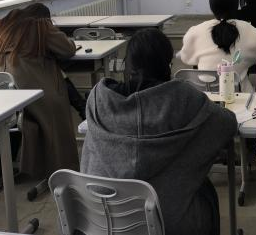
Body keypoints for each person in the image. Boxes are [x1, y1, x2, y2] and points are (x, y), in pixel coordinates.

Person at [81, 29, 237, 235]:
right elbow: (227, 125)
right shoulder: (185, 99)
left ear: (127, 65)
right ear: (167, 65)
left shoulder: (99, 101)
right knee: (204, 191)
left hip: (103, 219)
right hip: (169, 222)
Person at [0, 4, 79, 179]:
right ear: (44, 18)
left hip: (1, 99)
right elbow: (68, 49)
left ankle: (5, 167)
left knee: (49, 69)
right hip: (33, 99)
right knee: (56, 77)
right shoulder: (39, 27)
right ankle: (59, 165)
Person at [179, 0, 256, 91]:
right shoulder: (248, 29)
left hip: (204, 96)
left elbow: (186, 58)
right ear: (237, 5)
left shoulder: (195, 31)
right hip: (240, 96)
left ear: (212, 7)